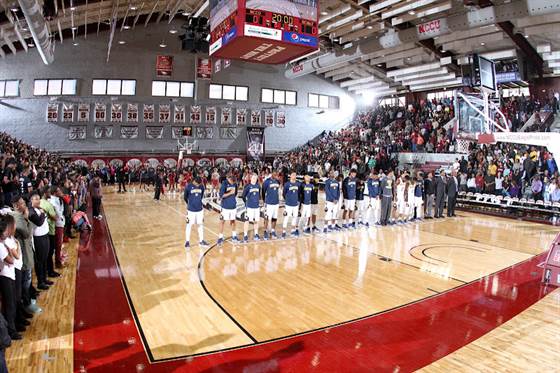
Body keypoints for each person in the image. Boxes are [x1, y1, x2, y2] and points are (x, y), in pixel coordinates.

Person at [0, 214, 22, 340]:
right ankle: (11, 331)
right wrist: (12, 248)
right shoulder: (2, 246)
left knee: (11, 304)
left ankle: (10, 329)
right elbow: (11, 260)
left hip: (8, 275)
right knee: (9, 305)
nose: (6, 232)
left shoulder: (3, 244)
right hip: (5, 277)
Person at [28, 192, 51, 290]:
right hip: (38, 238)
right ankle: (40, 282)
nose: (38, 201)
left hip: (45, 235)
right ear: (31, 200)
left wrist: (42, 212)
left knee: (45, 258)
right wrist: (42, 213)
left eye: (39, 199)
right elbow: (39, 222)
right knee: (40, 261)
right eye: (36, 199)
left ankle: (44, 279)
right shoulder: (31, 211)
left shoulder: (38, 209)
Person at [184, 177, 209, 248]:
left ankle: (201, 241)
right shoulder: (188, 186)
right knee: (189, 225)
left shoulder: (202, 186)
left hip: (200, 210)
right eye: (197, 184)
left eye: (199, 184)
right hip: (191, 210)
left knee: (200, 225)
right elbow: (185, 197)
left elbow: (201, 197)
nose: (198, 185)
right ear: (194, 181)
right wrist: (190, 204)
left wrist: (198, 202)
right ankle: (187, 241)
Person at [40, 187, 59, 279]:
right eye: (48, 192)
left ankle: (47, 271)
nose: (50, 194)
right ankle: (50, 271)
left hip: (43, 231)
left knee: (45, 254)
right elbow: (55, 217)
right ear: (44, 193)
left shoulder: (39, 202)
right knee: (50, 252)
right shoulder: (48, 204)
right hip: (50, 230)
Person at [218, 174, 238, 244]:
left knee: (233, 221)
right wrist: (230, 193)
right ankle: (220, 237)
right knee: (222, 221)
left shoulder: (235, 184)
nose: (233, 183)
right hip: (225, 206)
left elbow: (235, 194)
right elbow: (221, 195)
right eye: (232, 182)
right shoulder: (224, 184)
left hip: (233, 206)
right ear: (229, 180)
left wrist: (232, 195)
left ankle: (234, 235)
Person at [49, 186, 65, 269]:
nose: (61, 192)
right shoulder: (52, 201)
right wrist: (61, 218)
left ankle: (59, 257)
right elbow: (58, 213)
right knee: (58, 244)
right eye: (59, 191)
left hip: (60, 222)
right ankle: (57, 262)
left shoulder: (58, 199)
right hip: (57, 224)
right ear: (55, 192)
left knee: (60, 243)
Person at [241, 174, 261, 242]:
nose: (254, 179)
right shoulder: (247, 186)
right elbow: (243, 196)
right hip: (249, 207)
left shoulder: (258, 186)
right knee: (247, 221)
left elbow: (259, 195)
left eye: (255, 178)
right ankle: (245, 235)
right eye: (253, 178)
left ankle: (256, 234)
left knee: (256, 221)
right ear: (251, 178)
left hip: (256, 207)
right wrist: (246, 202)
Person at [262, 172, 281, 240]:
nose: (276, 176)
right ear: (271, 174)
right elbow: (263, 192)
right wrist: (264, 200)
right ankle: (265, 231)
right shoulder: (266, 182)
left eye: (277, 175)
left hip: (276, 203)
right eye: (275, 174)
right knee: (267, 217)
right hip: (269, 203)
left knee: (274, 218)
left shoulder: (278, 181)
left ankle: (272, 230)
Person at [282, 171, 301, 238]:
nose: (294, 176)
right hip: (288, 204)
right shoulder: (287, 184)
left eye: (295, 175)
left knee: (294, 217)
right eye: (293, 175)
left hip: (295, 204)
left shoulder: (298, 184)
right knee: (286, 218)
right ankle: (284, 232)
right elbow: (284, 194)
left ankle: (293, 231)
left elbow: (299, 193)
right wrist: (287, 199)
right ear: (290, 176)